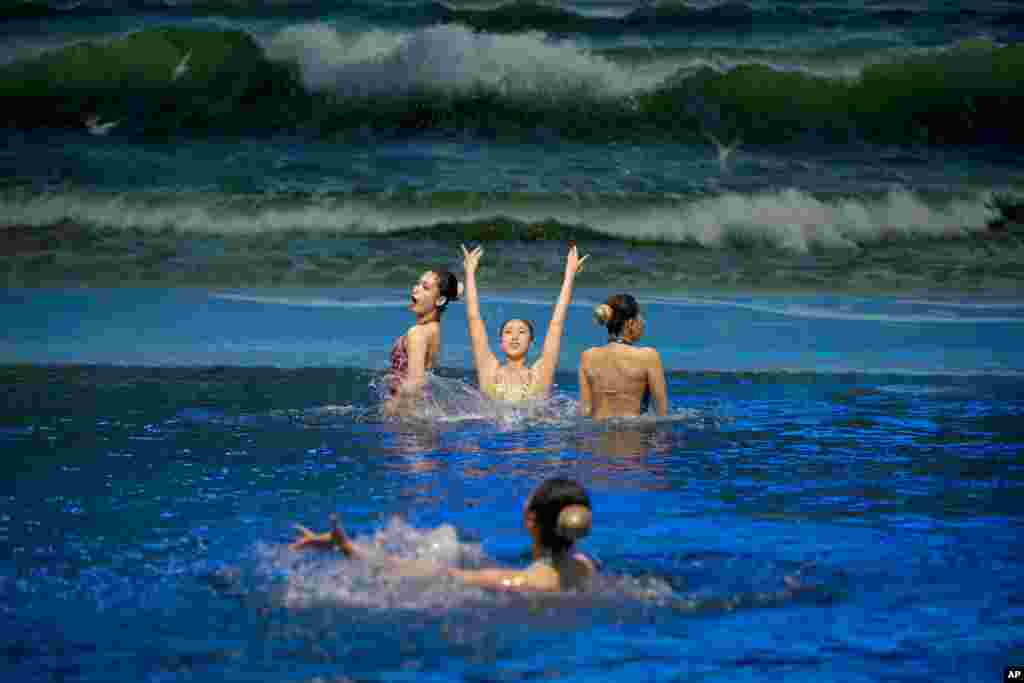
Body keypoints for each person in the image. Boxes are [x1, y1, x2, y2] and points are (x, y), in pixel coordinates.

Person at [290, 477, 598, 592]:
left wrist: (349, 548)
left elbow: (434, 574)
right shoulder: (587, 567)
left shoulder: (523, 582)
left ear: (531, 520)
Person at [460, 242, 588, 403]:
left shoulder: (540, 374)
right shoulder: (489, 370)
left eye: (521, 332)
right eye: (508, 332)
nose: (514, 337)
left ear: (530, 342)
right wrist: (469, 273)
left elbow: (557, 323)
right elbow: (474, 318)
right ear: (500, 342)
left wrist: (569, 275)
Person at [383, 267, 461, 416]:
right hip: (420, 416)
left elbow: (415, 385)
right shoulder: (434, 329)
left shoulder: (417, 333)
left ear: (439, 300)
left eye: (425, 287)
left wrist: (390, 409)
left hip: (407, 421)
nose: (415, 289)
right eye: (418, 284)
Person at [578, 294, 668, 420]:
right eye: (640, 318)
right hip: (633, 434)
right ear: (630, 323)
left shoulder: (588, 356)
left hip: (596, 436)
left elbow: (585, 410)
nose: (643, 323)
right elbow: (661, 412)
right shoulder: (648, 356)